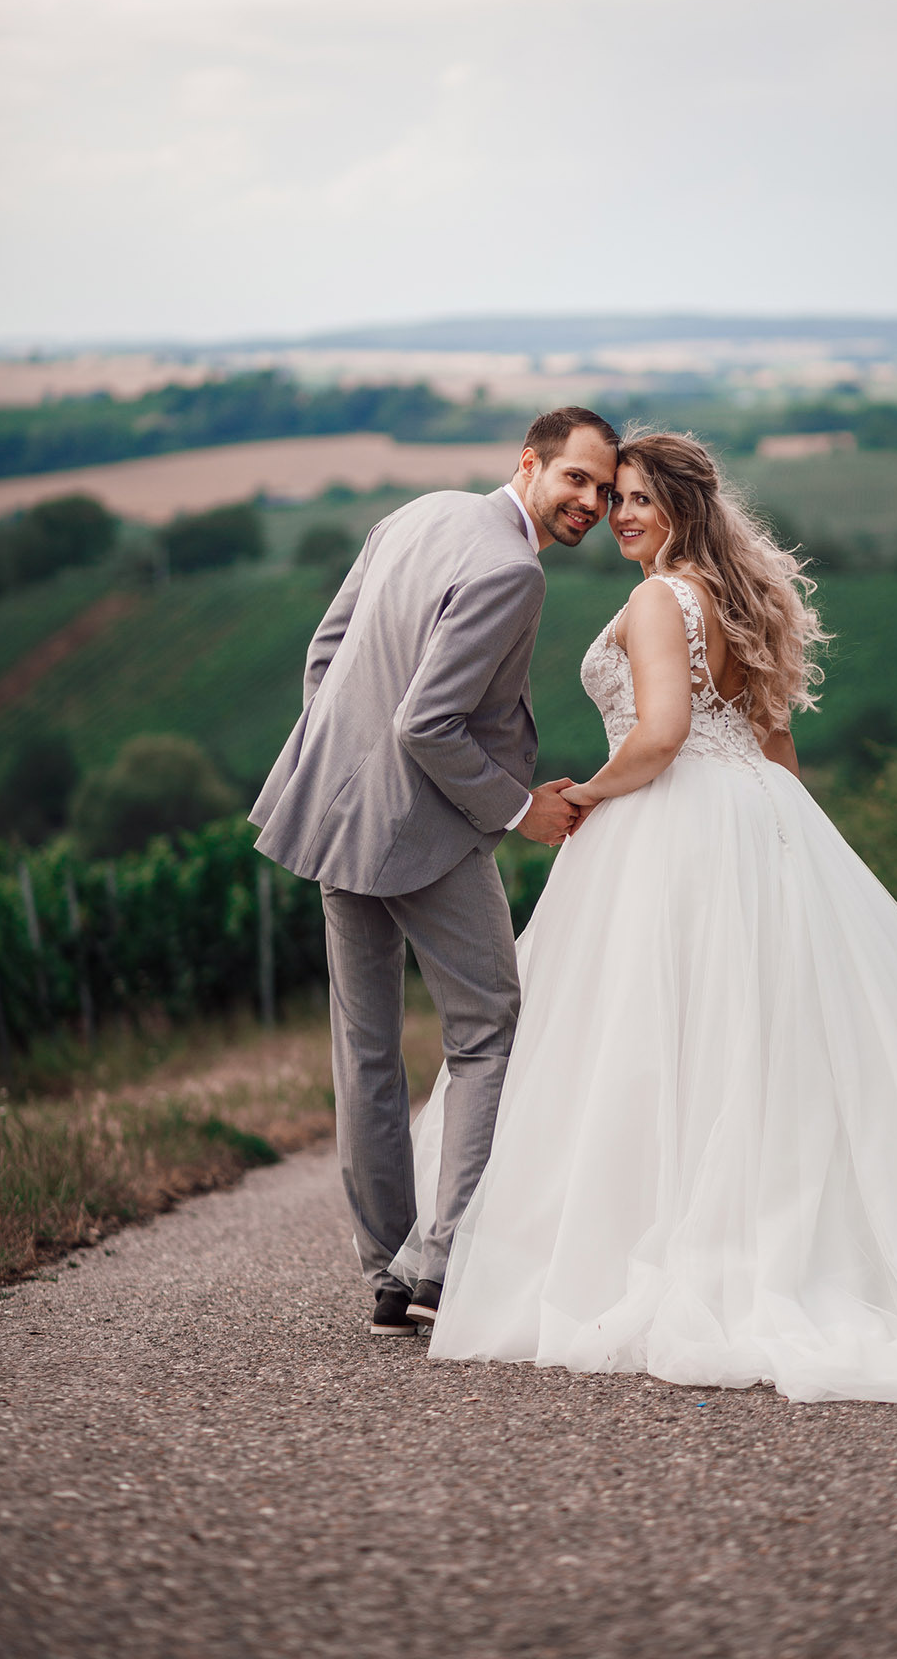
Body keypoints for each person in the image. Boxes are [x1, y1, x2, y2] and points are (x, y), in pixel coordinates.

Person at [393, 431, 897, 1401]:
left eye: (638, 499)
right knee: (760, 1039)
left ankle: (646, 1242)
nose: (619, 514)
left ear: (681, 507)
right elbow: (773, 751)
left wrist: (582, 795)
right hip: (753, 814)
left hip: (672, 824)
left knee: (657, 1034)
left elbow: (660, 738)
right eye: (612, 498)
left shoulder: (660, 598)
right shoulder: (743, 598)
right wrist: (789, 853)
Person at [250, 407, 619, 1335]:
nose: (592, 502)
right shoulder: (513, 568)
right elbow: (428, 724)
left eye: (607, 491)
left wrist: (343, 774)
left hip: (337, 820)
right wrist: (517, 806)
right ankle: (441, 1260)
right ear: (529, 464)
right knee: (488, 1029)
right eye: (576, 479)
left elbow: (325, 656)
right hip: (425, 829)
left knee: (365, 1050)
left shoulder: (416, 514)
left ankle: (386, 1272)